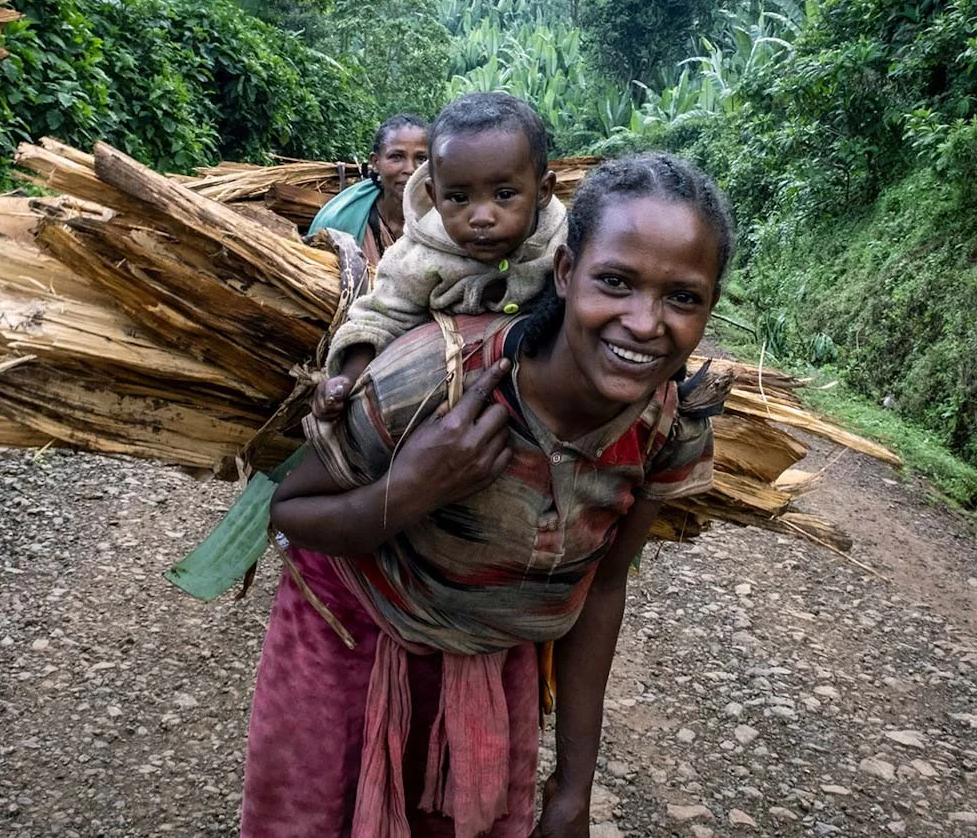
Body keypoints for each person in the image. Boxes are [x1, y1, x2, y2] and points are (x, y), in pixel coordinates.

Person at [243, 152, 736, 837]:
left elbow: (602, 589)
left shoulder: (666, 428)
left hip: (494, 662)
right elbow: (289, 514)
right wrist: (412, 488)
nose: (645, 322)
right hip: (355, 635)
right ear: (565, 272)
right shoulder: (432, 377)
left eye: (682, 297)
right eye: (615, 282)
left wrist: (572, 787)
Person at [314, 93, 568, 421]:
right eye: (459, 198)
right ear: (434, 196)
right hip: (442, 398)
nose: (481, 216)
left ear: (544, 191)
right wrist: (346, 378)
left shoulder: (563, 240)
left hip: (539, 396)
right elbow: (379, 316)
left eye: (504, 195)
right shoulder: (417, 256)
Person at [308, 113, 429, 264]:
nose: (411, 169)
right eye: (396, 156)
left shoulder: (444, 222)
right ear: (376, 163)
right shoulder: (340, 221)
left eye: (422, 158)